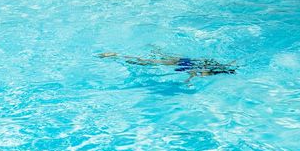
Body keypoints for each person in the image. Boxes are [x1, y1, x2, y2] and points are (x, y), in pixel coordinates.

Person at [98, 52, 236, 81]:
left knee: (152, 59)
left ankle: (120, 56)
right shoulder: (212, 72)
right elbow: (195, 72)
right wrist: (188, 80)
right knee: (148, 62)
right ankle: (116, 55)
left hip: (184, 59)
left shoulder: (213, 64)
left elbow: (201, 62)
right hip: (183, 63)